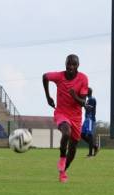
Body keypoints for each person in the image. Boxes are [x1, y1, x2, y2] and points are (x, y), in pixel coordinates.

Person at [43, 54, 89, 183]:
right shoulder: (59, 76)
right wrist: (48, 97)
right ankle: (62, 157)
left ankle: (63, 172)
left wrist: (74, 96)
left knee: (73, 147)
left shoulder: (83, 79)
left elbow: (83, 103)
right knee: (66, 132)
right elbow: (45, 77)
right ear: (65, 64)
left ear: (77, 66)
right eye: (69, 64)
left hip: (76, 117)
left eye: (73, 64)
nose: (70, 67)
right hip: (61, 113)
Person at [83, 88, 98, 157]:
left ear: (87, 92)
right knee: (82, 134)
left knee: (90, 135)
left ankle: (90, 153)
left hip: (90, 118)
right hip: (86, 119)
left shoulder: (91, 99)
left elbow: (89, 109)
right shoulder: (88, 99)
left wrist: (83, 104)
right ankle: (94, 146)